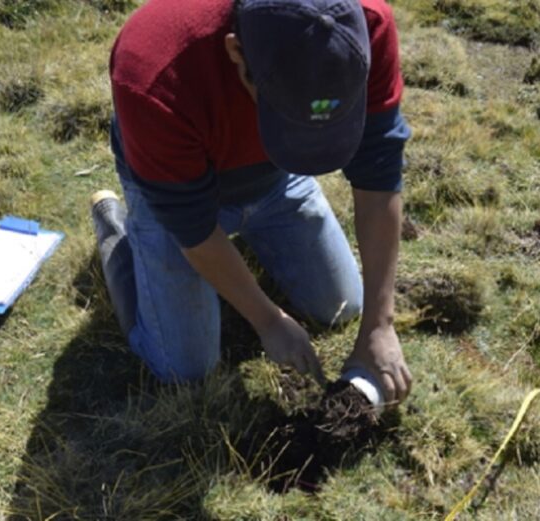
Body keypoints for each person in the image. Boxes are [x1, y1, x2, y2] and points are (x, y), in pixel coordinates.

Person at [92, 0, 413, 405]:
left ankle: (248, 234)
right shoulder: (154, 72)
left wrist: (380, 326)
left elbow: (379, 172)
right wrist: (267, 319)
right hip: (178, 190)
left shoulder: (364, 26)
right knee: (184, 368)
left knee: (344, 306)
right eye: (288, 117)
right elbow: (191, 225)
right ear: (236, 52)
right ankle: (121, 237)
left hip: (275, 178)